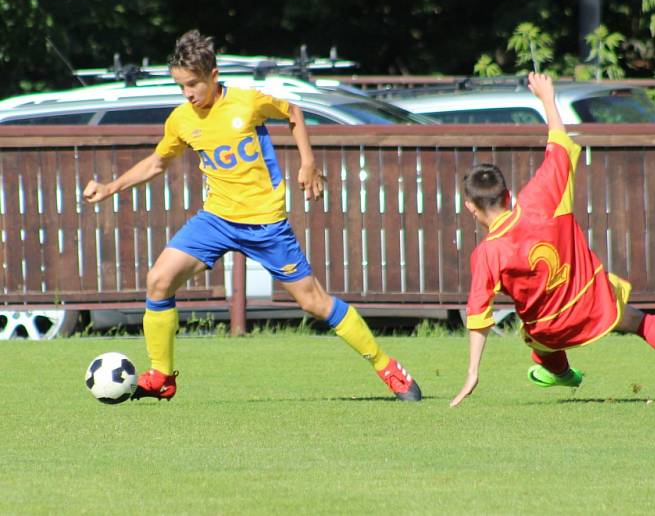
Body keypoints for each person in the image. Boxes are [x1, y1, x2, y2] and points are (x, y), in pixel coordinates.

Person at [83, 30, 421, 402]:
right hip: (216, 220)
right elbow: (158, 162)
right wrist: (110, 187)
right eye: (180, 86)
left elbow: (293, 111)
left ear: (213, 76)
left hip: (265, 224)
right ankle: (162, 375)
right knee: (159, 280)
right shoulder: (181, 120)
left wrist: (308, 162)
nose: (187, 93)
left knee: (314, 302)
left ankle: (386, 367)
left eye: (193, 84)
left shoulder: (247, 102)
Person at [450, 72, 655, 407]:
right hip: (591, 304)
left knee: (537, 339)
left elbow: (478, 317)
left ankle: (561, 374)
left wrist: (473, 372)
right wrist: (547, 97)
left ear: (470, 207)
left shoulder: (487, 253)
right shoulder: (542, 198)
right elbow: (558, 142)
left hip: (548, 331)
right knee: (641, 322)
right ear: (508, 194)